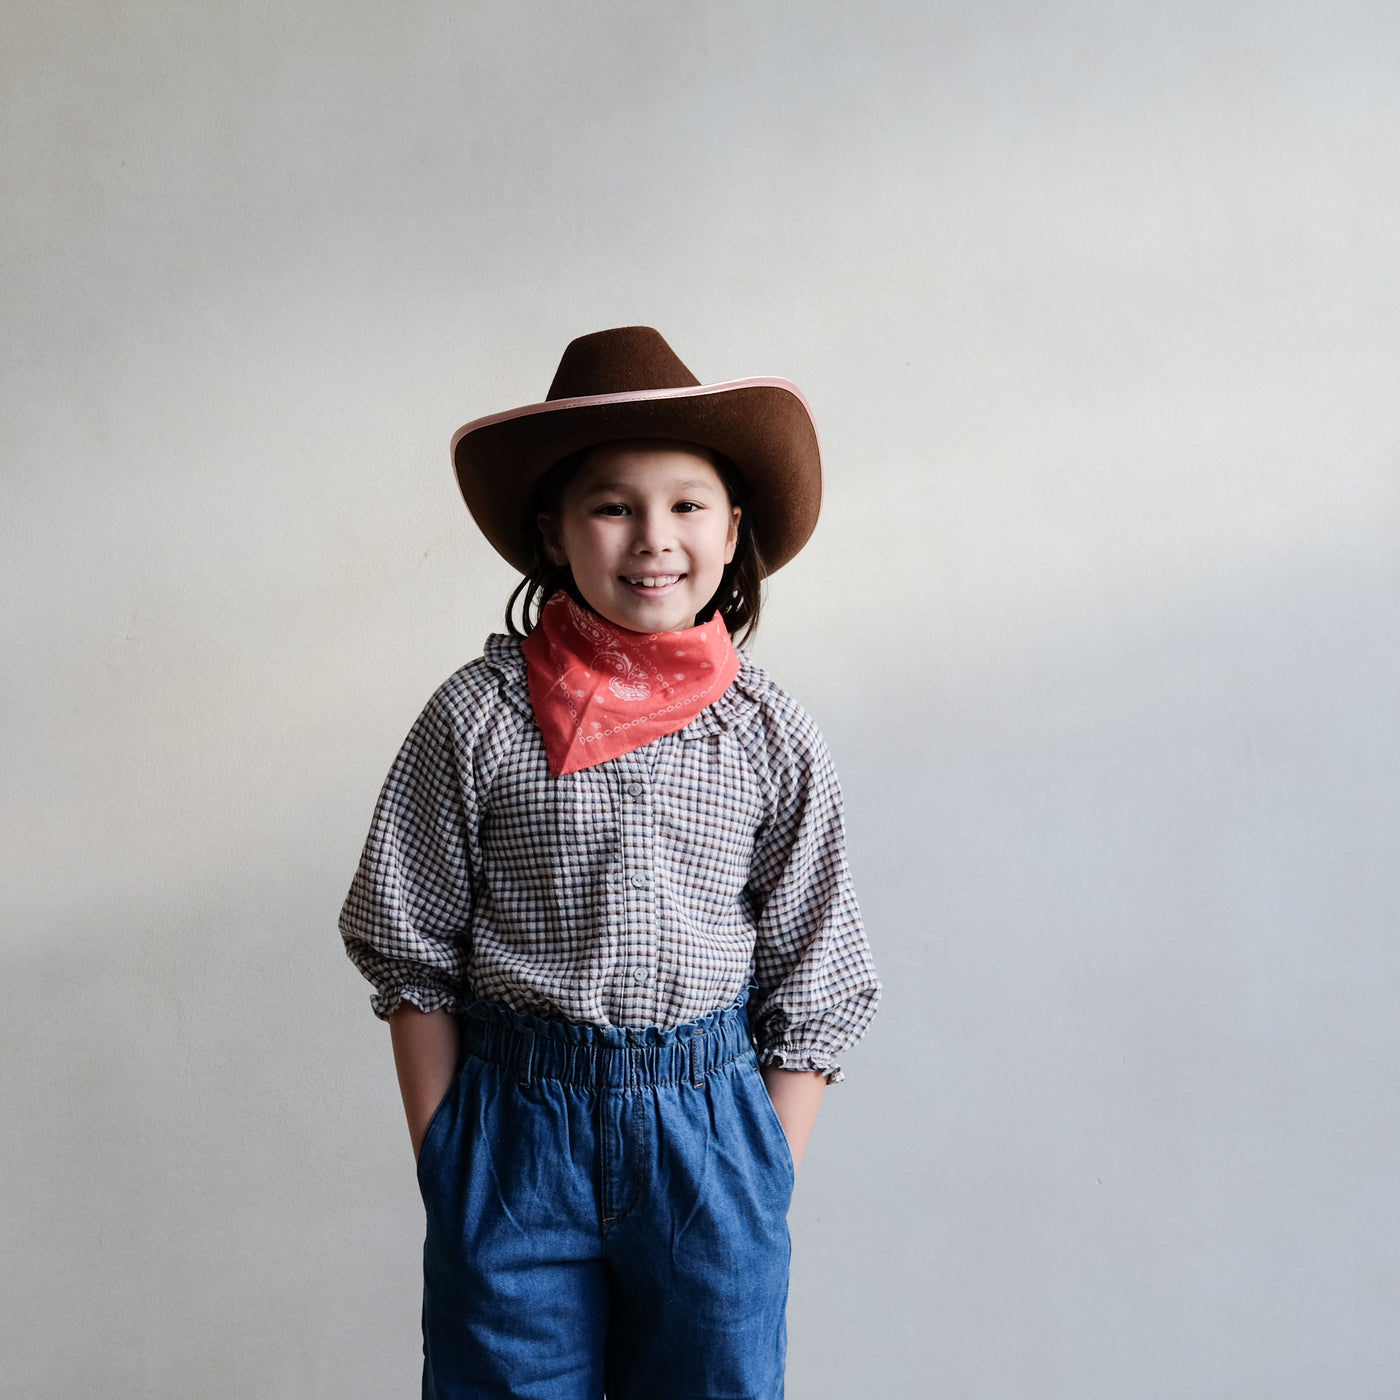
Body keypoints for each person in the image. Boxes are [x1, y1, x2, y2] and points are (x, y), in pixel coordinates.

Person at [339, 326, 880, 1400]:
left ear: (733, 531)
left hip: (709, 1134)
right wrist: (447, 1153)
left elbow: (818, 969)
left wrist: (759, 1170)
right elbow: (407, 946)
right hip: (514, 1131)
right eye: (611, 503)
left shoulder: (769, 735)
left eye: (686, 502)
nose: (652, 537)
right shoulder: (477, 718)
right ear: (553, 532)